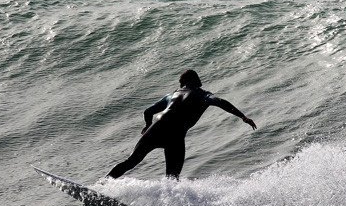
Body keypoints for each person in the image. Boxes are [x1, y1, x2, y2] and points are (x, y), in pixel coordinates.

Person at [107, 69, 256, 179]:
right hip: (175, 135)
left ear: (183, 83)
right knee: (172, 178)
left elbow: (147, 111)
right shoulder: (201, 94)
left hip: (156, 129)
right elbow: (220, 102)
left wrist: (147, 125)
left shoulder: (171, 95)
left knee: (131, 161)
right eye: (197, 78)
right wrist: (242, 116)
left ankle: (103, 184)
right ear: (194, 81)